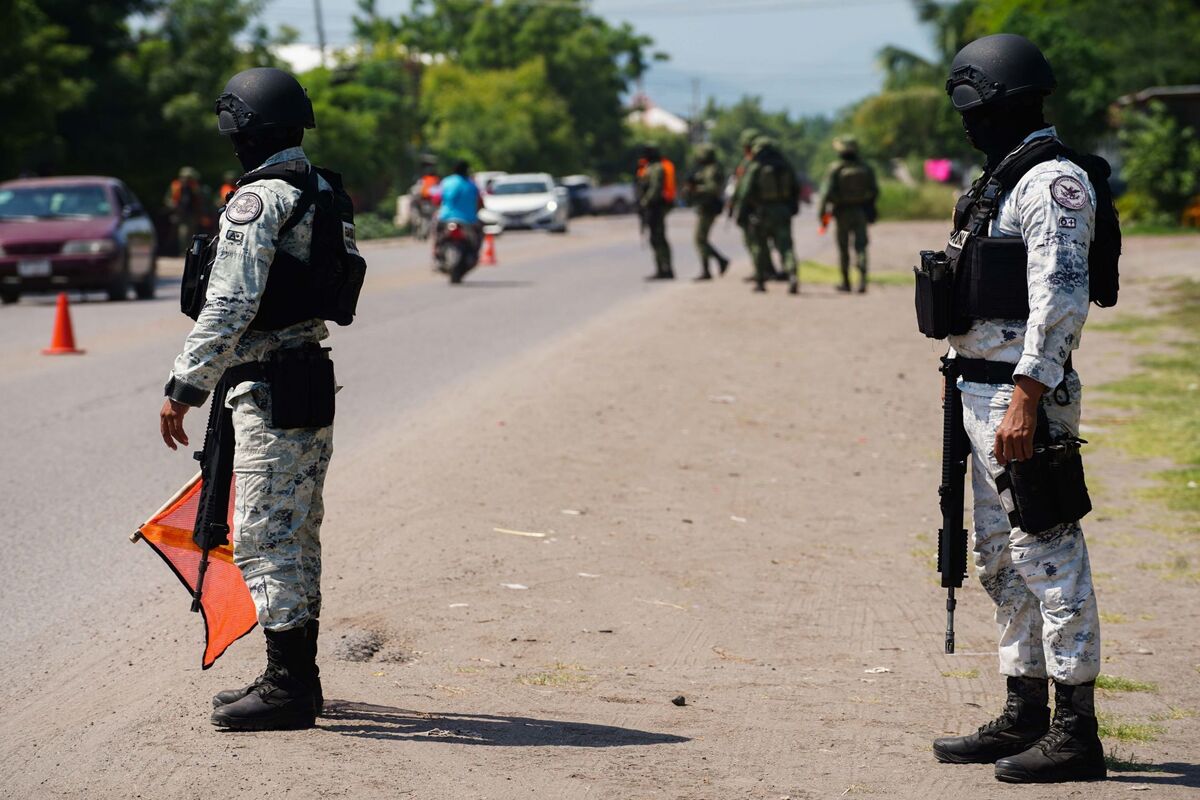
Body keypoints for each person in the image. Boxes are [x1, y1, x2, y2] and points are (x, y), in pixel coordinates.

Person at [928, 34, 1106, 783]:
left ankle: (1076, 729)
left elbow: (1062, 297)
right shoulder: (1001, 179)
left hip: (1018, 397)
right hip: (979, 391)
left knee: (1048, 553)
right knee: (1001, 561)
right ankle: (1024, 708)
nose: (968, 125)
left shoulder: (1052, 182)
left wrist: (1027, 398)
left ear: (998, 102)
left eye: (974, 108)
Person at [159, 67, 344, 732]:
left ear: (243, 128)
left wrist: (184, 385)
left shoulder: (260, 198)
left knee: (264, 535)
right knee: (295, 531)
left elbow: (230, 301)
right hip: (306, 377)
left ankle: (289, 686)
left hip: (266, 383)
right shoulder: (320, 188)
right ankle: (295, 676)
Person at [732, 136, 801, 293]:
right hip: (782, 212)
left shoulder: (755, 167)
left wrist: (741, 213)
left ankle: (761, 281)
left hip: (762, 212)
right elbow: (796, 189)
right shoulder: (786, 166)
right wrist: (791, 208)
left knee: (759, 247)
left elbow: (745, 192)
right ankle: (792, 274)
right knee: (786, 247)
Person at [818, 136, 877, 293]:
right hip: (860, 212)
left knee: (843, 248)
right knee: (861, 247)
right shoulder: (866, 167)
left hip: (842, 213)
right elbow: (874, 191)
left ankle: (846, 282)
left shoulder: (835, 168)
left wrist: (822, 218)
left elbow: (825, 195)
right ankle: (862, 281)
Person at [684, 143, 730, 280]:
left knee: (699, 239)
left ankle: (712, 267)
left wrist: (696, 189)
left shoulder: (712, 170)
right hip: (705, 207)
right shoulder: (706, 169)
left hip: (709, 207)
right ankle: (715, 264)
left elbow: (713, 189)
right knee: (701, 239)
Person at [638, 144, 675, 280]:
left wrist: (645, 202)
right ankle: (662, 269)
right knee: (655, 238)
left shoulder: (656, 168)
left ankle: (666, 269)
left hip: (656, 207)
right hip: (652, 207)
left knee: (659, 238)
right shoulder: (649, 168)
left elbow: (655, 188)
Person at [164, 166, 204, 256]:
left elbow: (201, 200)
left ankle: (188, 252)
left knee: (190, 233)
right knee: (179, 233)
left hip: (191, 214)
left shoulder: (195, 188)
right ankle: (180, 252)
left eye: (189, 178)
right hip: (178, 213)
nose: (186, 179)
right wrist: (172, 204)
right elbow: (167, 199)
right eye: (185, 177)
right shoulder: (175, 186)